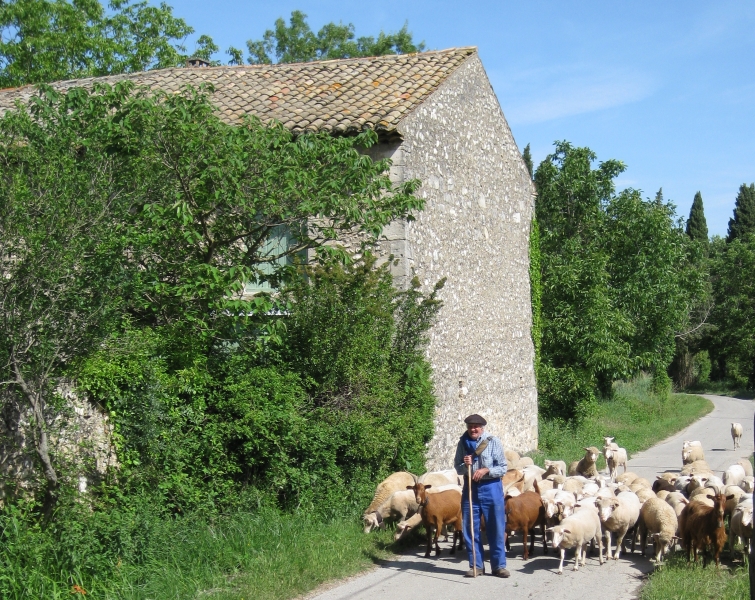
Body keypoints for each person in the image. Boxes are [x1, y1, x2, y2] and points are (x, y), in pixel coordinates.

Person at [454, 413, 509, 578]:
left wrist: (487, 470)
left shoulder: (493, 442)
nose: (473, 429)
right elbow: (458, 467)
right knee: (470, 528)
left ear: (482, 428)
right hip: (471, 489)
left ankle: (499, 566)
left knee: (496, 527)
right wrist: (466, 465)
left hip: (491, 487)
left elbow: (503, 467)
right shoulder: (462, 443)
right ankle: (476, 566)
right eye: (470, 427)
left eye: (476, 426)